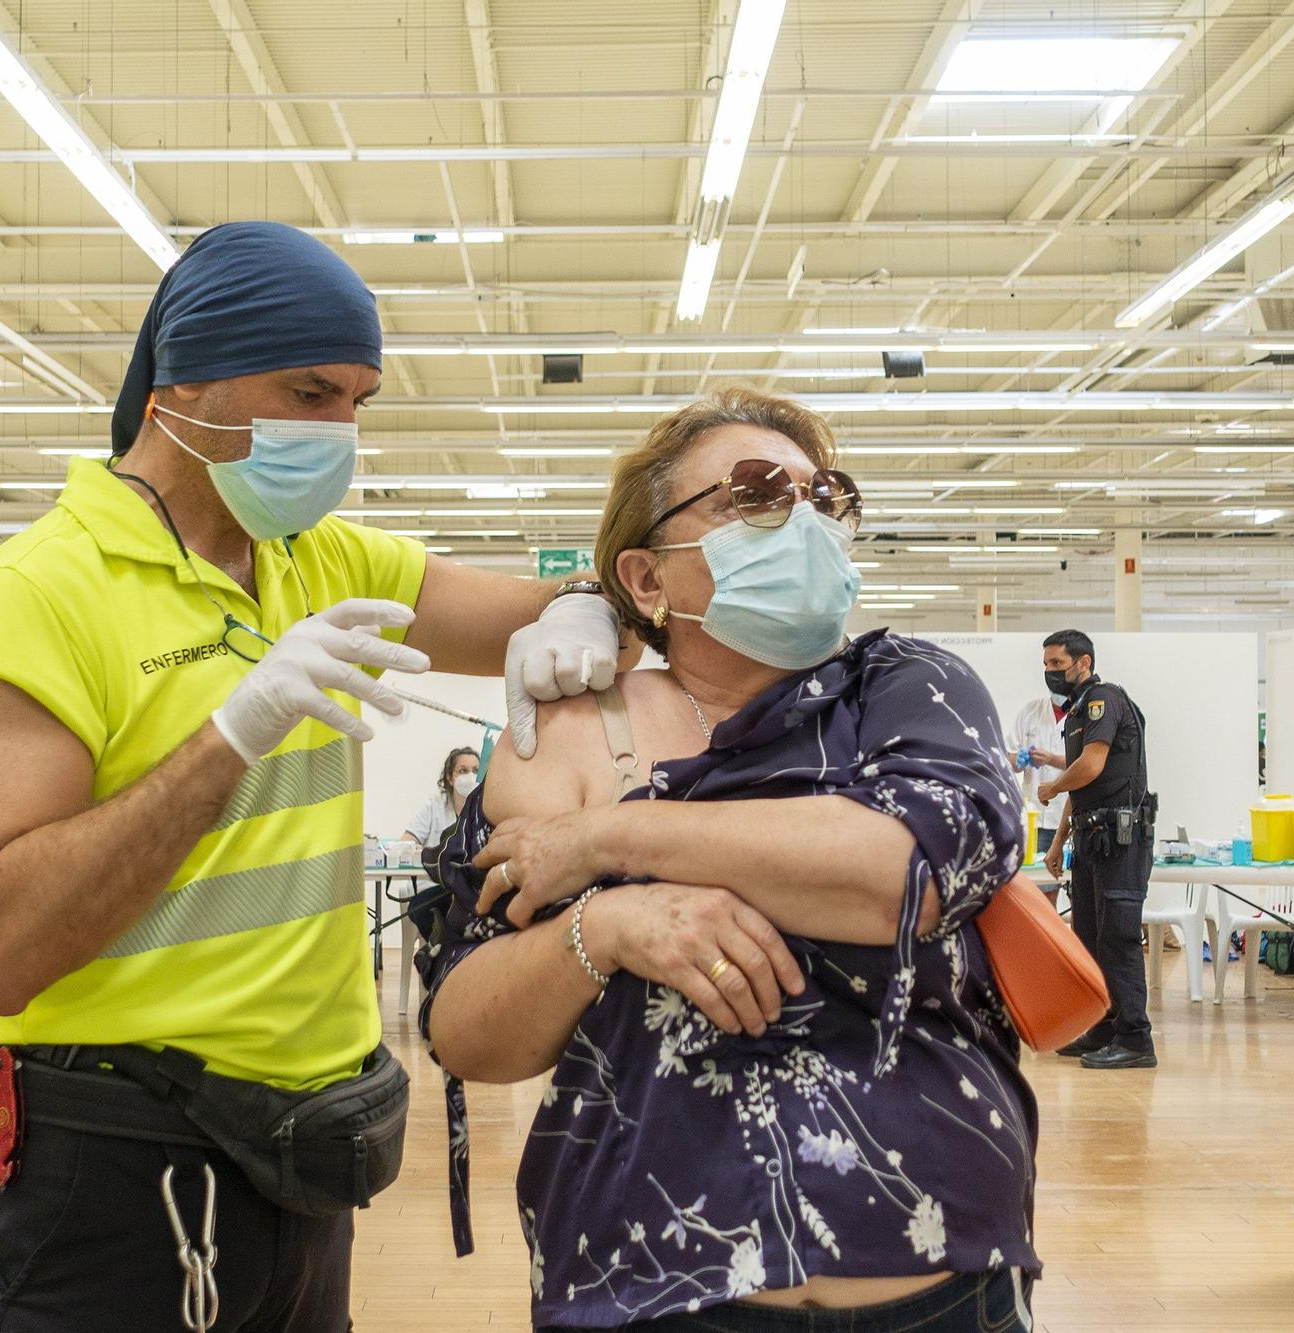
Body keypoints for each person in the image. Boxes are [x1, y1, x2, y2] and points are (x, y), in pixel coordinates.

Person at [0, 221, 636, 1333]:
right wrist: (230, 734)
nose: (337, 431)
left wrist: (582, 606)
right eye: (306, 392)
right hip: (113, 1160)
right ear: (179, 384)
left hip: (304, 1151)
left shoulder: (321, 557)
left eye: (356, 401)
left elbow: (538, 615)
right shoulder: (37, 597)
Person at [418, 388, 1038, 1332]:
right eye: (754, 494)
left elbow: (905, 870)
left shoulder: (908, 688)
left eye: (824, 496)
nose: (803, 520)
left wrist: (605, 838)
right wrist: (608, 924)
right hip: (650, 1284)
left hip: (942, 1280)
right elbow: (464, 1027)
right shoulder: (575, 729)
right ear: (650, 577)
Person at [1037, 629, 1157, 1071]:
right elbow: (1082, 784)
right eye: (1046, 665)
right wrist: (1057, 842)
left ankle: (1136, 1038)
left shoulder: (1104, 699)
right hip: (1092, 838)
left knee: (1118, 936)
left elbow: (1089, 767)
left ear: (1082, 662)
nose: (1050, 672)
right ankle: (1104, 1028)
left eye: (1057, 664)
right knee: (1089, 937)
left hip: (1121, 840)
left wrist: (1051, 785)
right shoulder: (1077, 711)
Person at [1007, 694, 1068, 859]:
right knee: (1034, 880)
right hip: (1033, 818)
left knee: (1063, 879)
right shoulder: (1030, 711)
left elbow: (1086, 763)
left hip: (1066, 820)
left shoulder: (1084, 715)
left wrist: (1051, 759)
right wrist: (1017, 760)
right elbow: (1008, 754)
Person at [404, 747, 480, 851]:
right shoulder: (434, 806)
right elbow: (407, 841)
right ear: (449, 778)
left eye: (476, 771)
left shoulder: (487, 809)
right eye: (463, 771)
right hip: (435, 866)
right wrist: (414, 849)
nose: (471, 776)